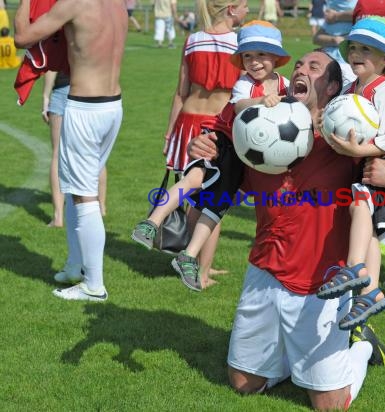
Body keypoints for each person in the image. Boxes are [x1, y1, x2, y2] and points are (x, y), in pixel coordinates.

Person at [189, 49, 385, 411]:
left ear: (332, 87)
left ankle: (362, 347)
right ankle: (295, 361)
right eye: (299, 65)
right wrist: (201, 145)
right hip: (266, 268)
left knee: (330, 404)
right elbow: (219, 142)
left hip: (323, 279)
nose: (301, 69)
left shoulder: (350, 138)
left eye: (314, 67)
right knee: (243, 384)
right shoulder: (258, 123)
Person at [132, 19, 289, 292]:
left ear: (275, 56)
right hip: (220, 140)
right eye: (248, 56)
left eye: (261, 54)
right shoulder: (244, 83)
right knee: (193, 180)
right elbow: (240, 105)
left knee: (216, 207)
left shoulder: (284, 84)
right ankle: (151, 223)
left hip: (242, 155)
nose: (254, 62)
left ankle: (188, 256)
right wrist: (261, 102)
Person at [130, 0, 248, 290]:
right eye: (245, 5)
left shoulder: (192, 39)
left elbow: (181, 92)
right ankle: (202, 271)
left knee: (194, 195)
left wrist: (169, 133)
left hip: (187, 124)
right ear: (232, 9)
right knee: (215, 202)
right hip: (217, 129)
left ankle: (193, 258)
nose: (248, 10)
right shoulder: (241, 43)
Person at [15, 0, 127, 301]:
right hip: (112, 105)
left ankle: (94, 285)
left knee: (83, 195)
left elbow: (22, 37)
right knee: (74, 187)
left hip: (85, 107)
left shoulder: (74, 3)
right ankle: (75, 266)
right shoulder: (117, 4)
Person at [316, 17, 385, 331]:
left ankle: (353, 268)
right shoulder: (352, 88)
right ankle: (371, 292)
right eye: (354, 47)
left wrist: (352, 151)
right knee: (371, 226)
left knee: (359, 202)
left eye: (368, 49)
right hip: (368, 158)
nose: (357, 54)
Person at [42, 71, 109, 228]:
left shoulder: (58, 43)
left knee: (57, 154)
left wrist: (45, 97)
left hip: (64, 90)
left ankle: (58, 216)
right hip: (91, 90)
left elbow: (52, 67)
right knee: (94, 153)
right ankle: (101, 207)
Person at [312, 0, 357, 87]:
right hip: (328, 62)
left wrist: (336, 16)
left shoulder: (360, 15)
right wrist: (334, 40)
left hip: (347, 63)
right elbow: (316, 38)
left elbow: (358, 14)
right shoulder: (331, 17)